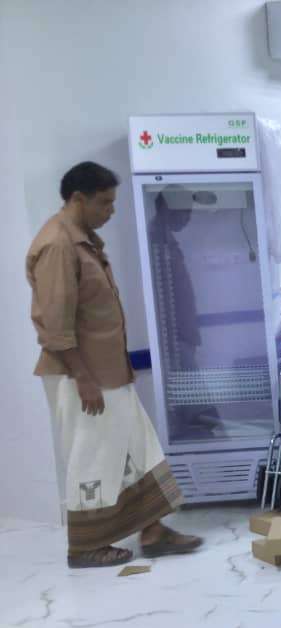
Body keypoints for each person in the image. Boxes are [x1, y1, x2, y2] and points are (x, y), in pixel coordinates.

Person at [26, 161, 202, 568]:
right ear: (78, 199)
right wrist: (83, 378)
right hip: (81, 376)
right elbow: (56, 324)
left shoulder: (83, 241)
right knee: (93, 455)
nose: (112, 210)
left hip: (107, 372)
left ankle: (153, 529)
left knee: (140, 447)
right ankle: (85, 546)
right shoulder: (57, 245)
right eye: (105, 202)